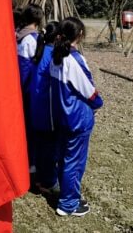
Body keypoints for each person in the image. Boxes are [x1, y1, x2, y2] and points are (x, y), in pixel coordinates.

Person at [50, 17, 103, 217]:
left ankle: (66, 194)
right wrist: (99, 104)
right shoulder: (74, 60)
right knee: (75, 161)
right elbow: (89, 91)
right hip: (77, 119)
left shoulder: (56, 56)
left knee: (65, 158)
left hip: (62, 116)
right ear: (79, 35)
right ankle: (69, 203)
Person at [28, 21, 60, 195]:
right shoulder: (52, 56)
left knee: (40, 145)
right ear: (57, 37)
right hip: (47, 110)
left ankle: (39, 177)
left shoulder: (39, 52)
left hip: (36, 107)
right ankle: (49, 181)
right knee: (50, 148)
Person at [16, 3, 44, 175]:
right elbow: (26, 69)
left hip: (21, 89)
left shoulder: (19, 35)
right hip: (28, 91)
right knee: (29, 128)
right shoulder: (30, 39)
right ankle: (29, 162)